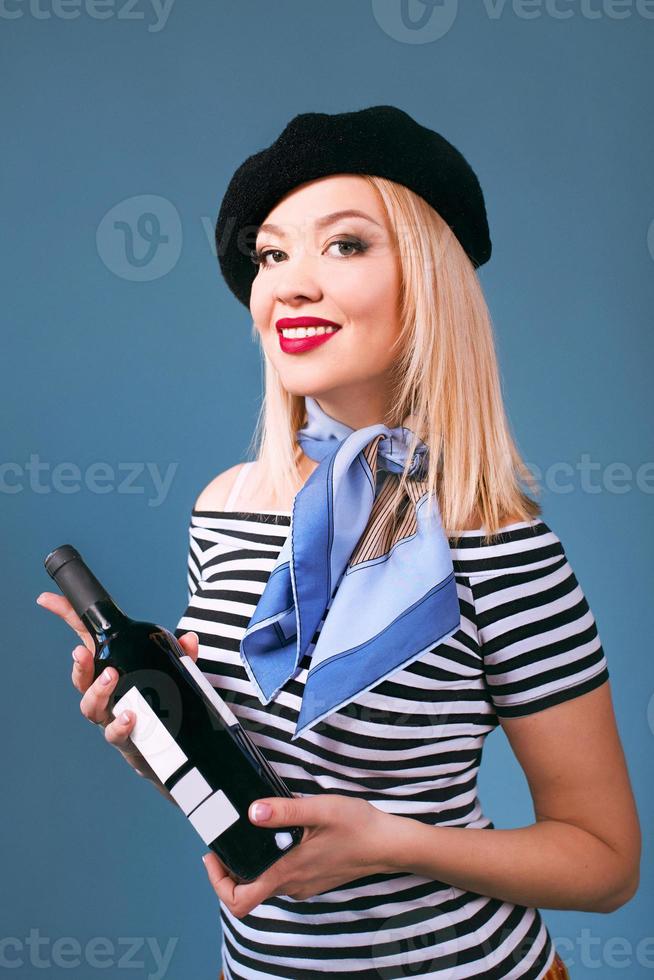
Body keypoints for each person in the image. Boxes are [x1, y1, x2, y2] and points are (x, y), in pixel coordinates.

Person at [37, 106, 640, 980]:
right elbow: (258, 766)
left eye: (345, 245)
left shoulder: (499, 542)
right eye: (272, 254)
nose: (288, 284)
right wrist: (155, 743)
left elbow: (607, 862)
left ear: (428, 282)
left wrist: (392, 843)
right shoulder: (225, 511)